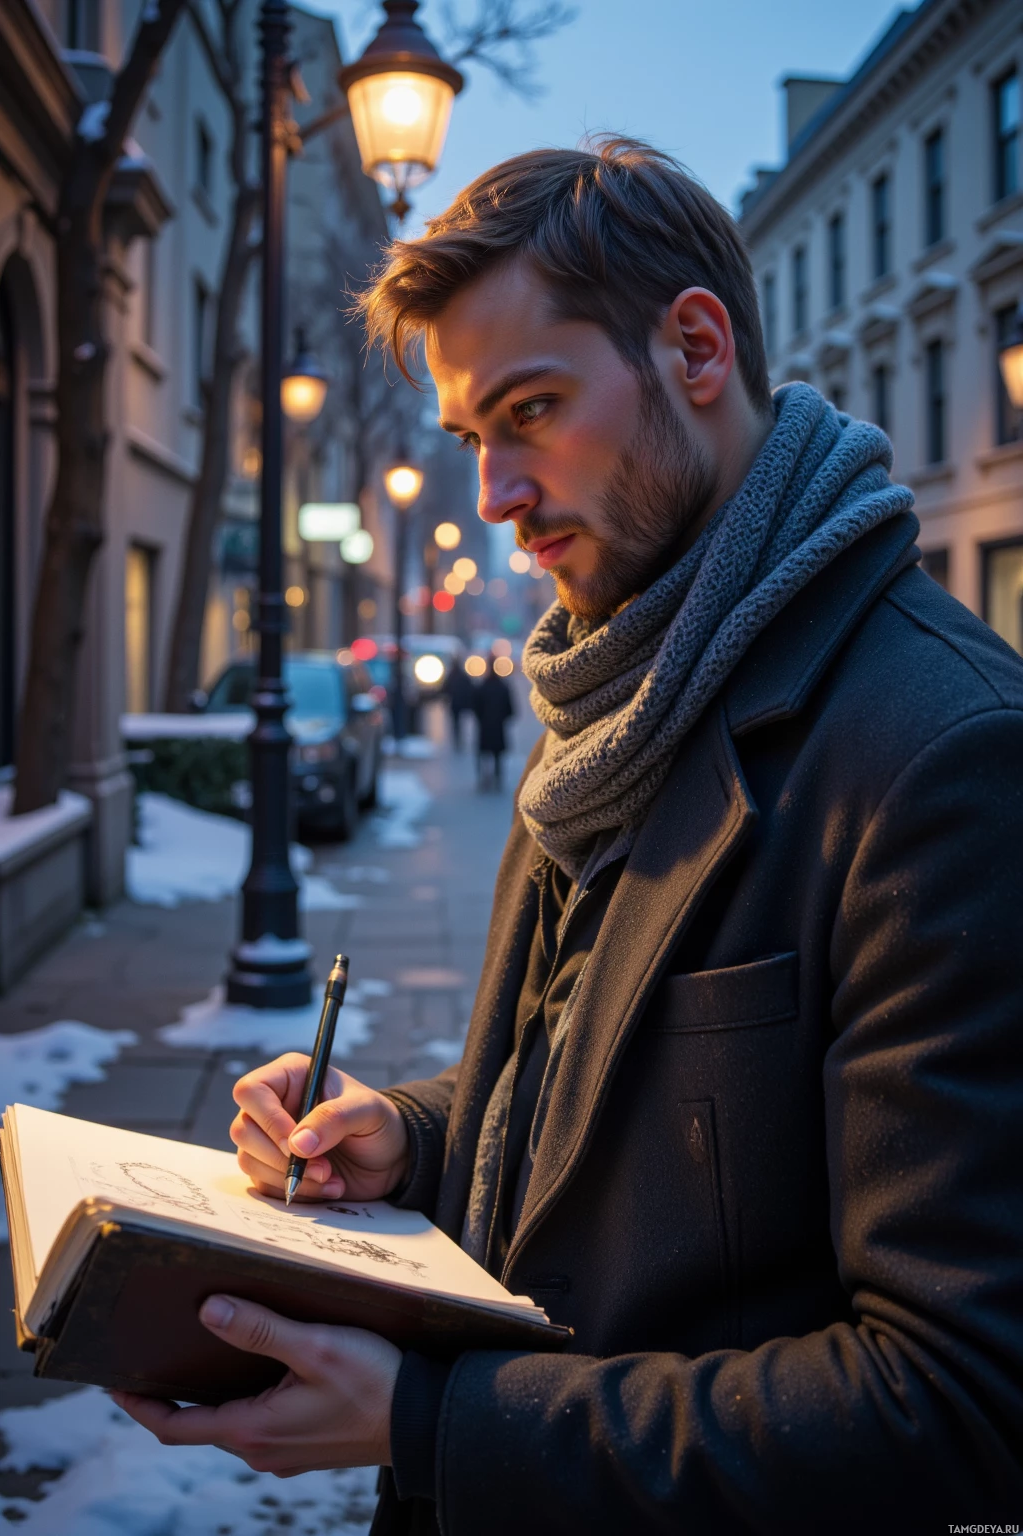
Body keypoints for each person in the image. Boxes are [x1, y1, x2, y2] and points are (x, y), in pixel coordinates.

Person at [114, 139, 1023, 1531]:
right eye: (473, 438)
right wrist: (413, 1138)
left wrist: (434, 1422)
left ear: (697, 348)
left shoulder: (943, 752)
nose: (492, 495)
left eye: (529, 411)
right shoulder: (622, 673)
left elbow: (957, 1400)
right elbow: (611, 1081)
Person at [472, 655, 515, 789]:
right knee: (497, 755)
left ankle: (484, 778)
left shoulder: (481, 687)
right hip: (498, 727)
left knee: (483, 754)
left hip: (484, 727)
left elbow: (475, 707)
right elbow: (511, 709)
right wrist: (501, 719)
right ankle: (497, 778)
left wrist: (482, 719)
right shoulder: (503, 687)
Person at [442, 657, 476, 752]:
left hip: (455, 704)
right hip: (460, 703)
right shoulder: (462, 676)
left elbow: (445, 689)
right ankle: (459, 739)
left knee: (456, 723)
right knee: (459, 722)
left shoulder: (451, 676)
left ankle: (457, 739)